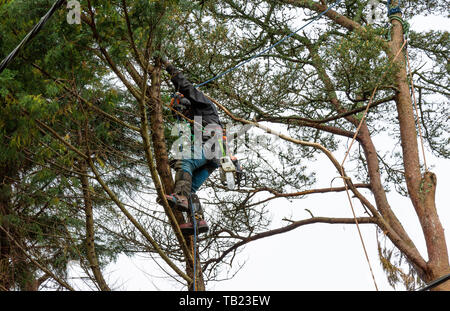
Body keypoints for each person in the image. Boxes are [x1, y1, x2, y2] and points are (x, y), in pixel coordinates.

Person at [160, 58, 224, 235]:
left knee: (186, 159)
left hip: (211, 145)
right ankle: (198, 221)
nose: (183, 114)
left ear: (188, 103)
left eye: (183, 110)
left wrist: (168, 67)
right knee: (191, 189)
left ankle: (180, 197)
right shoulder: (195, 121)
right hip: (213, 156)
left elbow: (185, 86)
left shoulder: (202, 103)